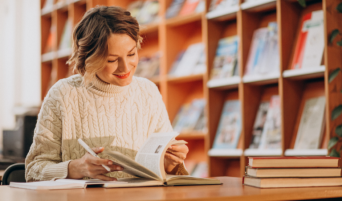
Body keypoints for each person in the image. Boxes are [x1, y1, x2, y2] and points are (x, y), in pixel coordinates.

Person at [25, 6, 189, 182]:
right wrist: (75, 168)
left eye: (131, 54)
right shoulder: (62, 94)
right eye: (112, 60)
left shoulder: (148, 92)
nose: (125, 67)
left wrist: (171, 162)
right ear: (89, 57)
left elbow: (164, 168)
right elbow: (34, 170)